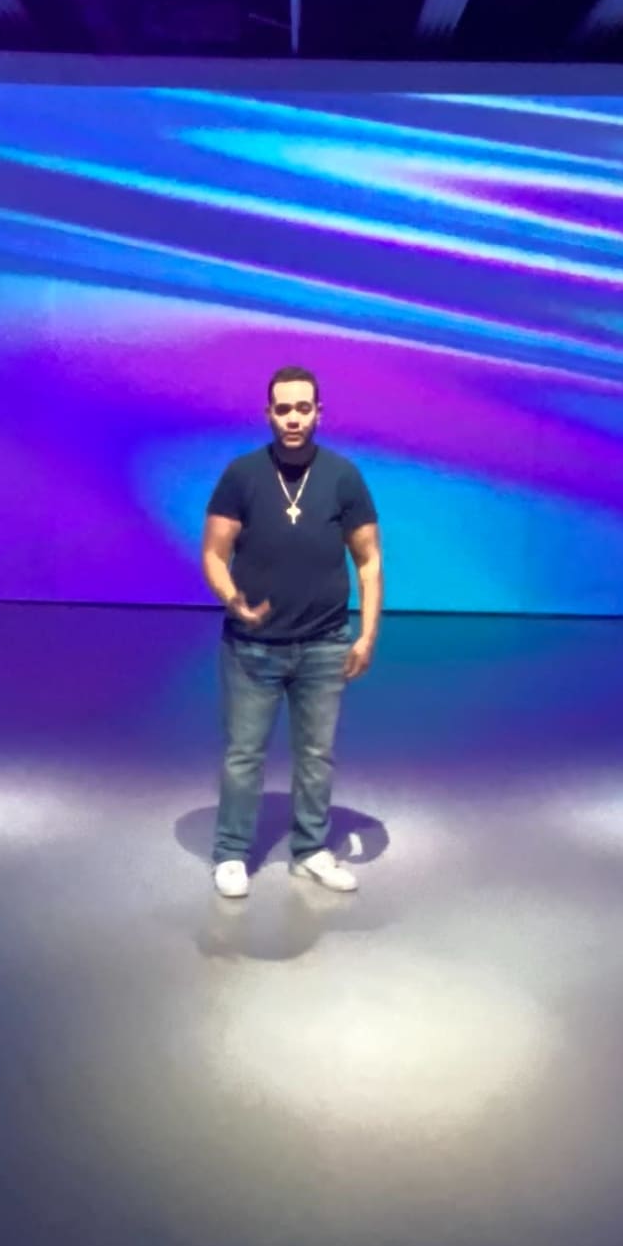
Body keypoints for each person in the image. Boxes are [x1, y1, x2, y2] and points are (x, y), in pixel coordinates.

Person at [199, 363, 380, 900]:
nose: (294, 417)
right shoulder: (242, 475)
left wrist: (366, 635)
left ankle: (311, 850)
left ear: (319, 412)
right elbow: (214, 552)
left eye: (304, 408)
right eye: (284, 408)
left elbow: (368, 561)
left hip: (325, 643)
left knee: (316, 755)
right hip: (252, 647)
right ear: (268, 412)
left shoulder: (344, 476)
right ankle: (231, 853)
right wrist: (234, 599)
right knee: (244, 755)